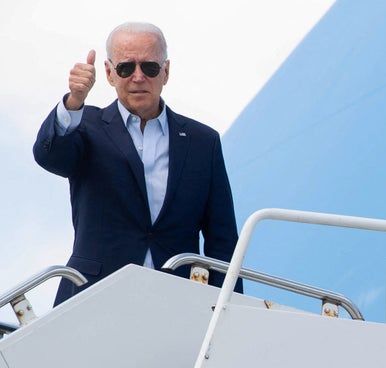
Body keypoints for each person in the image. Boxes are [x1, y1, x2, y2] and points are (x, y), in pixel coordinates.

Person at [33, 22, 242, 304]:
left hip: (178, 300)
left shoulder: (203, 141)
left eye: (150, 68)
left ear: (166, 71)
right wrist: (73, 102)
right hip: (95, 296)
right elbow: (50, 157)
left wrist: (228, 310)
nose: (138, 77)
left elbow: (223, 240)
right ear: (109, 72)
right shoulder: (85, 125)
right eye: (126, 68)